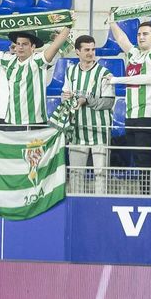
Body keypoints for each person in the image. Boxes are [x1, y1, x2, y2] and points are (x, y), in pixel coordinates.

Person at [108, 10, 151, 175]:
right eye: (139, 34)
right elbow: (121, 39)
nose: (141, 37)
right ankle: (145, 195)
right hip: (130, 116)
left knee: (144, 161)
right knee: (137, 160)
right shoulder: (134, 55)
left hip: (148, 117)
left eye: (145, 34)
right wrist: (111, 21)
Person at [0, 26, 72, 127]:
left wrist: (67, 26)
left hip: (35, 122)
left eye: (25, 44)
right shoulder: (7, 61)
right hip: (10, 120)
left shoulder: (38, 61)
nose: (20, 47)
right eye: (17, 44)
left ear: (33, 47)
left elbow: (56, 46)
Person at [60, 34, 115, 193]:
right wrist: (65, 99)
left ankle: (101, 203)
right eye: (86, 50)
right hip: (77, 131)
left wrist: (87, 100)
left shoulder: (104, 73)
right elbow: (66, 95)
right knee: (76, 173)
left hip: (100, 131)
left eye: (93, 49)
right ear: (77, 51)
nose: (91, 53)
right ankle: (77, 205)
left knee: (101, 174)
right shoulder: (70, 71)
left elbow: (108, 102)